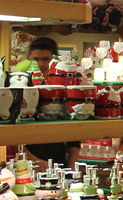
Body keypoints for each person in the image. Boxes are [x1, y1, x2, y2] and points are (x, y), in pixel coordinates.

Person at [14, 37, 79, 167]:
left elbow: (74, 131)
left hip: (58, 161)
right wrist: (33, 160)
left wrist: (72, 166)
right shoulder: (20, 86)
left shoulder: (63, 87)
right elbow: (12, 136)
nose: (41, 64)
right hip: (26, 162)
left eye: (45, 59)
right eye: (36, 59)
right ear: (29, 59)